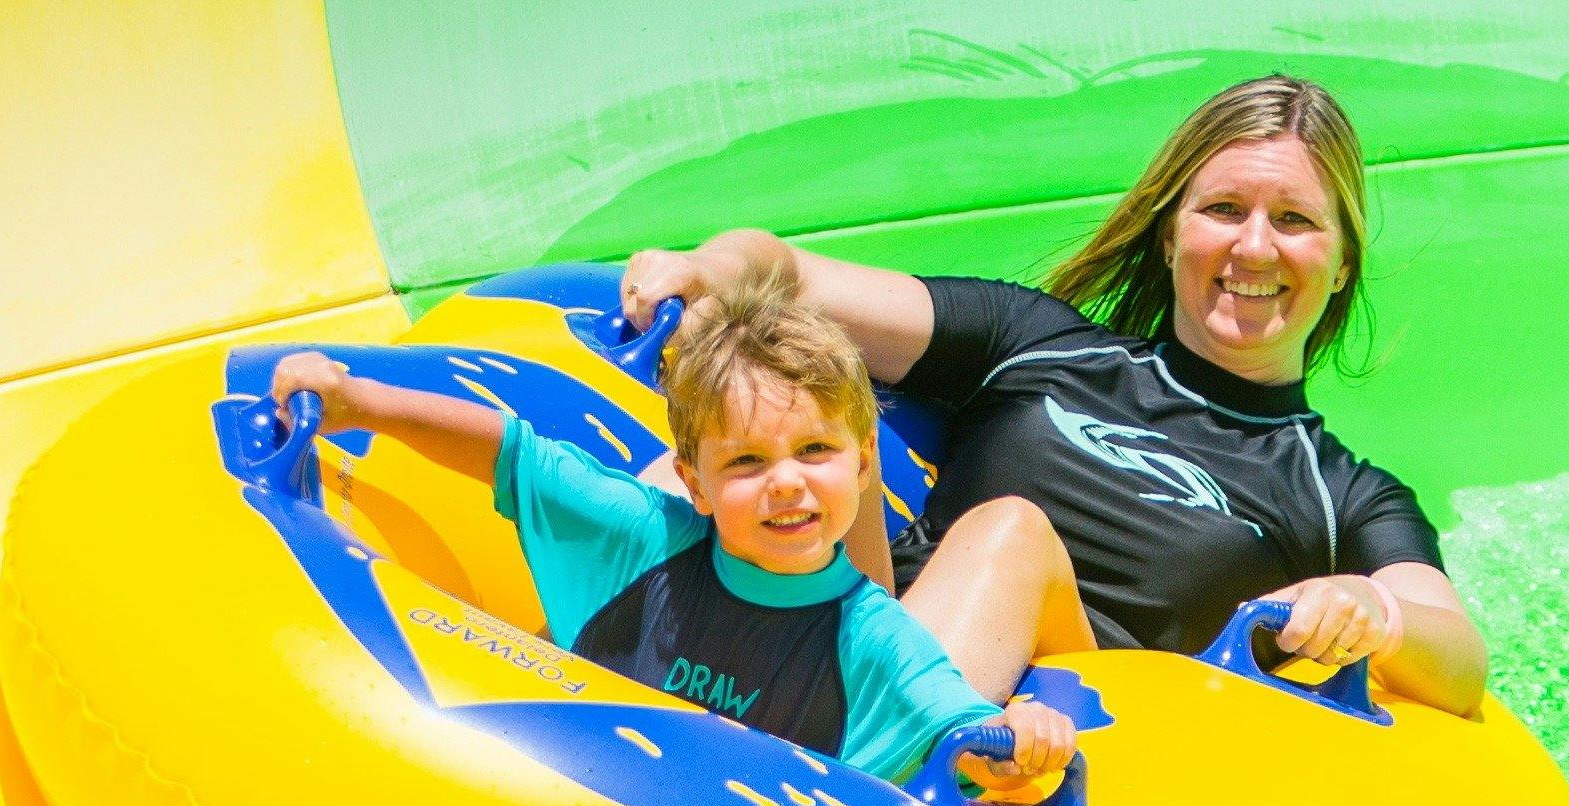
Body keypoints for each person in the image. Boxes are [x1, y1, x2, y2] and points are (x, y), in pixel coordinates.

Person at [618, 75, 1489, 717]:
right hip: (863, 631)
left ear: (1341, 268)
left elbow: (1458, 660)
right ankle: (600, 667)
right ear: (1170, 233)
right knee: (756, 445)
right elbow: (785, 273)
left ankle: (850, 742)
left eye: (1295, 222)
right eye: (1223, 209)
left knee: (1011, 538)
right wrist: (705, 271)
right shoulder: (1030, 340)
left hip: (1050, 733)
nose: (1253, 248)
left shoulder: (1342, 496)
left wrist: (1367, 609)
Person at [269, 268, 1078, 800]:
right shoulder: (646, 537)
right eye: (749, 461)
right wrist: (357, 401)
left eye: (817, 452)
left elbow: (959, 732)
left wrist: (1030, 737)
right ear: (693, 480)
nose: (788, 480)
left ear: (865, 465)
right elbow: (509, 451)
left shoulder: (874, 641)